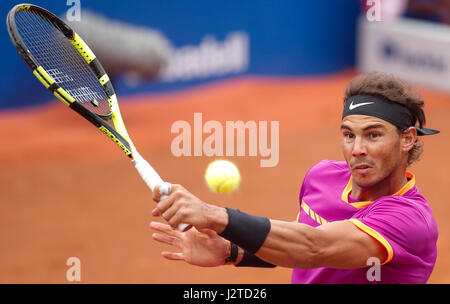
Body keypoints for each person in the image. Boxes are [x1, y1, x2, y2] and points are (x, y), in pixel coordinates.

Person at [149, 72, 439, 284]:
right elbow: (299, 236)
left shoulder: (410, 220)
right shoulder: (322, 176)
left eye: (373, 135)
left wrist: (214, 216)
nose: (357, 149)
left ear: (407, 139)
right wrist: (231, 250)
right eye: (348, 135)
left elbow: (314, 247)